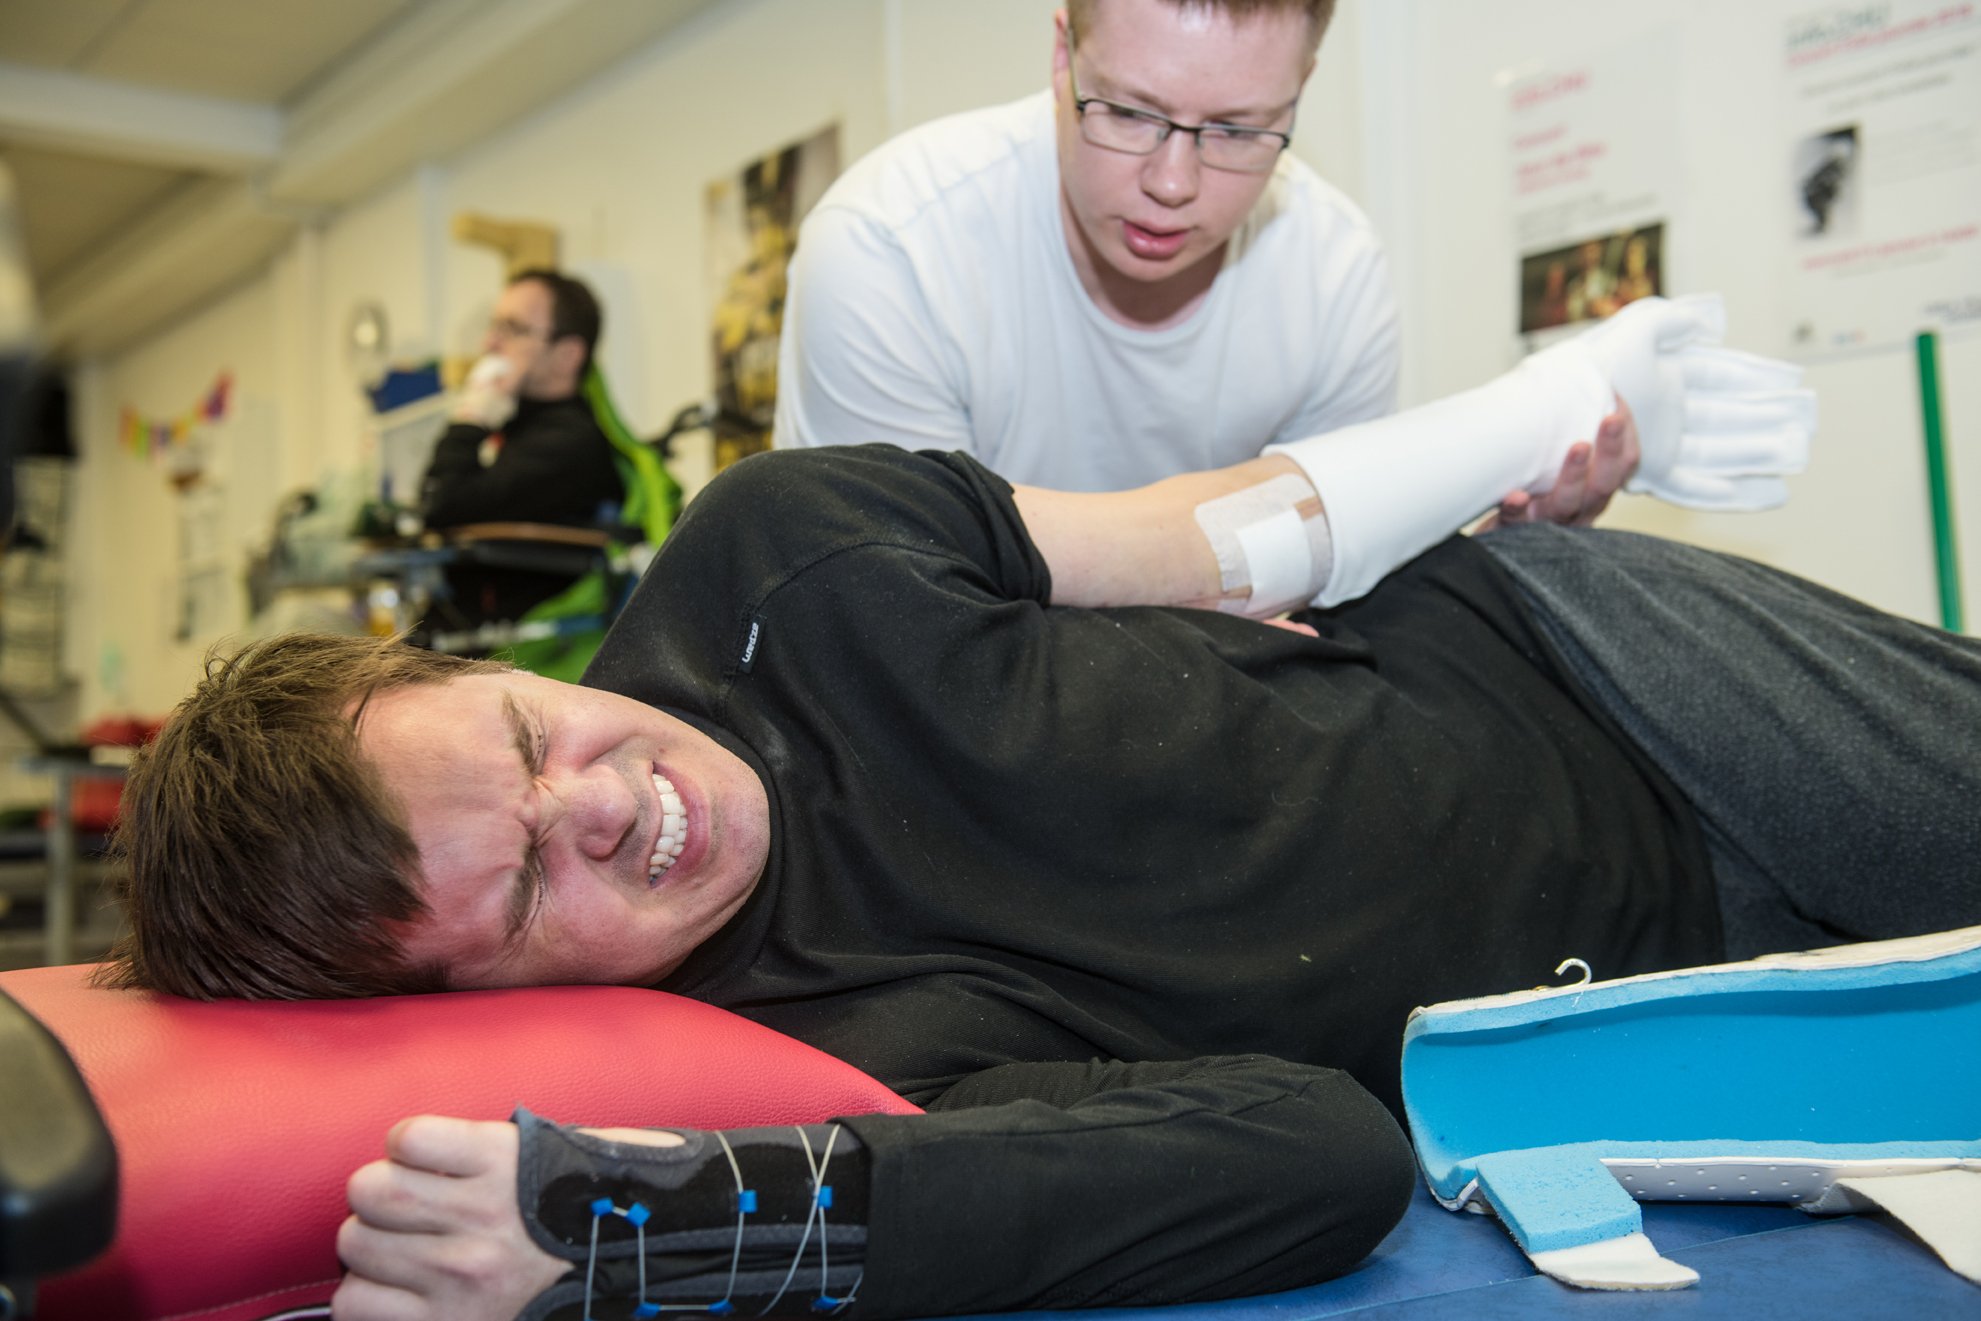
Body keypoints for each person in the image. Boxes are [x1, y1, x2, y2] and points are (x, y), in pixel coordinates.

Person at [105, 300, 1977, 1319]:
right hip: (1655, 1016)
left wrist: (1553, 399)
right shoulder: (792, 1063)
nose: (605, 804)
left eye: (527, 737)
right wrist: (653, 1226)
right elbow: (1311, 1158)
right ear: (488, 997)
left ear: (486, 666)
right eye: (519, 889)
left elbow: (1224, 537)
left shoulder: (779, 550)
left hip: (1603, 672)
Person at [773, 0, 1633, 526]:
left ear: (1301, 86)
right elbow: (902, 611)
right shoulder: (892, 245)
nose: (1173, 183)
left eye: (1236, 130)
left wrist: (1504, 547)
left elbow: (1340, 593)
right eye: (1130, 112)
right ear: (1063, 53)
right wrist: (1228, 573)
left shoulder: (1331, 278)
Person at [418, 268, 624, 627]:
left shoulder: (568, 443)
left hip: (507, 654)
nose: (489, 344)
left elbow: (441, 503)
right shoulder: (521, 426)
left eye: (512, 330)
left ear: (568, 355)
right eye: (493, 326)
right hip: (463, 639)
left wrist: (471, 418)